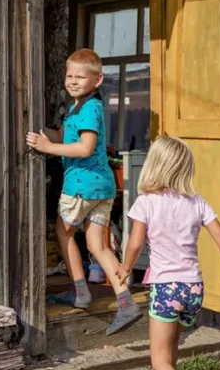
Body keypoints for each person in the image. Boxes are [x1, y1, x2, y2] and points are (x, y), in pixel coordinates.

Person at [117, 136, 220, 370]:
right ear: (184, 168)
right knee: (171, 348)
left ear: (153, 165)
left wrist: (125, 268)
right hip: (193, 288)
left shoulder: (145, 202)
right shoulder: (197, 202)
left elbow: (134, 243)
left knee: (158, 358)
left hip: (166, 287)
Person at [26, 48, 143, 335]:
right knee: (97, 245)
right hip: (101, 186)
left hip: (82, 184)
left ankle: (80, 291)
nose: (73, 81)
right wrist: (43, 134)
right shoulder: (79, 107)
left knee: (63, 233)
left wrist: (48, 149)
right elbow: (66, 137)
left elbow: (84, 147)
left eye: (81, 76)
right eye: (69, 76)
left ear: (98, 80)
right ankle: (125, 300)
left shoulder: (90, 108)